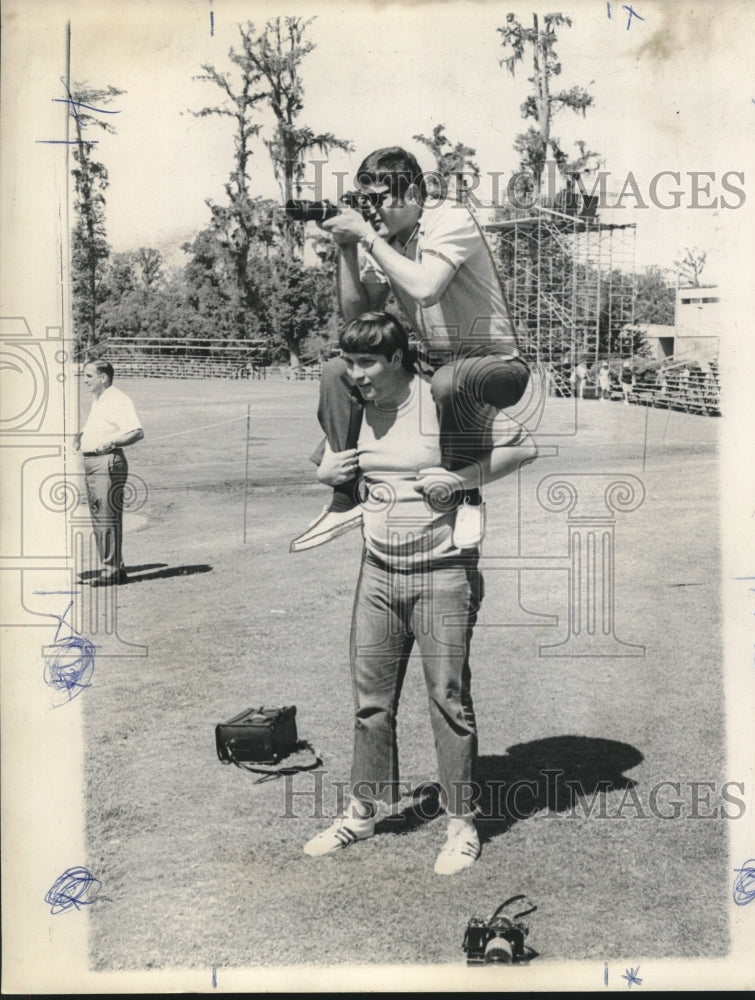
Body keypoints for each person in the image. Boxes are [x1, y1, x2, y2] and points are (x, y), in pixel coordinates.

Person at [302, 313, 538, 875]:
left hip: (443, 573)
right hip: (378, 571)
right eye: (350, 362)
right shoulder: (358, 408)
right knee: (371, 702)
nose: (354, 374)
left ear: (399, 359)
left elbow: (522, 447)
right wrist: (324, 474)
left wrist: (459, 480)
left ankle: (461, 823)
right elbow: (330, 466)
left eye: (366, 363)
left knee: (448, 701)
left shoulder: (441, 404)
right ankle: (363, 812)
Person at [290, 146, 531, 553]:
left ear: (414, 193)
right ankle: (347, 496)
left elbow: (425, 288)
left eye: (381, 197)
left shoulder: (449, 218)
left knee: (449, 381)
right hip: (437, 363)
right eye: (367, 199)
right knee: (339, 370)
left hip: (495, 363)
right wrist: (348, 247)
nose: (374, 209)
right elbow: (359, 316)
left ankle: (464, 493)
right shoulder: (384, 239)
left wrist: (367, 236)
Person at [74, 361, 144, 585]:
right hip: (92, 463)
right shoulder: (99, 401)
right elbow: (101, 425)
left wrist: (112, 442)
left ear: (103, 378)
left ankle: (110, 570)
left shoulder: (118, 399)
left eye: (89, 376)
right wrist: (82, 434)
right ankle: (116, 568)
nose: (85, 380)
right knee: (100, 518)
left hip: (107, 463)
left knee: (107, 517)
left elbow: (136, 432)